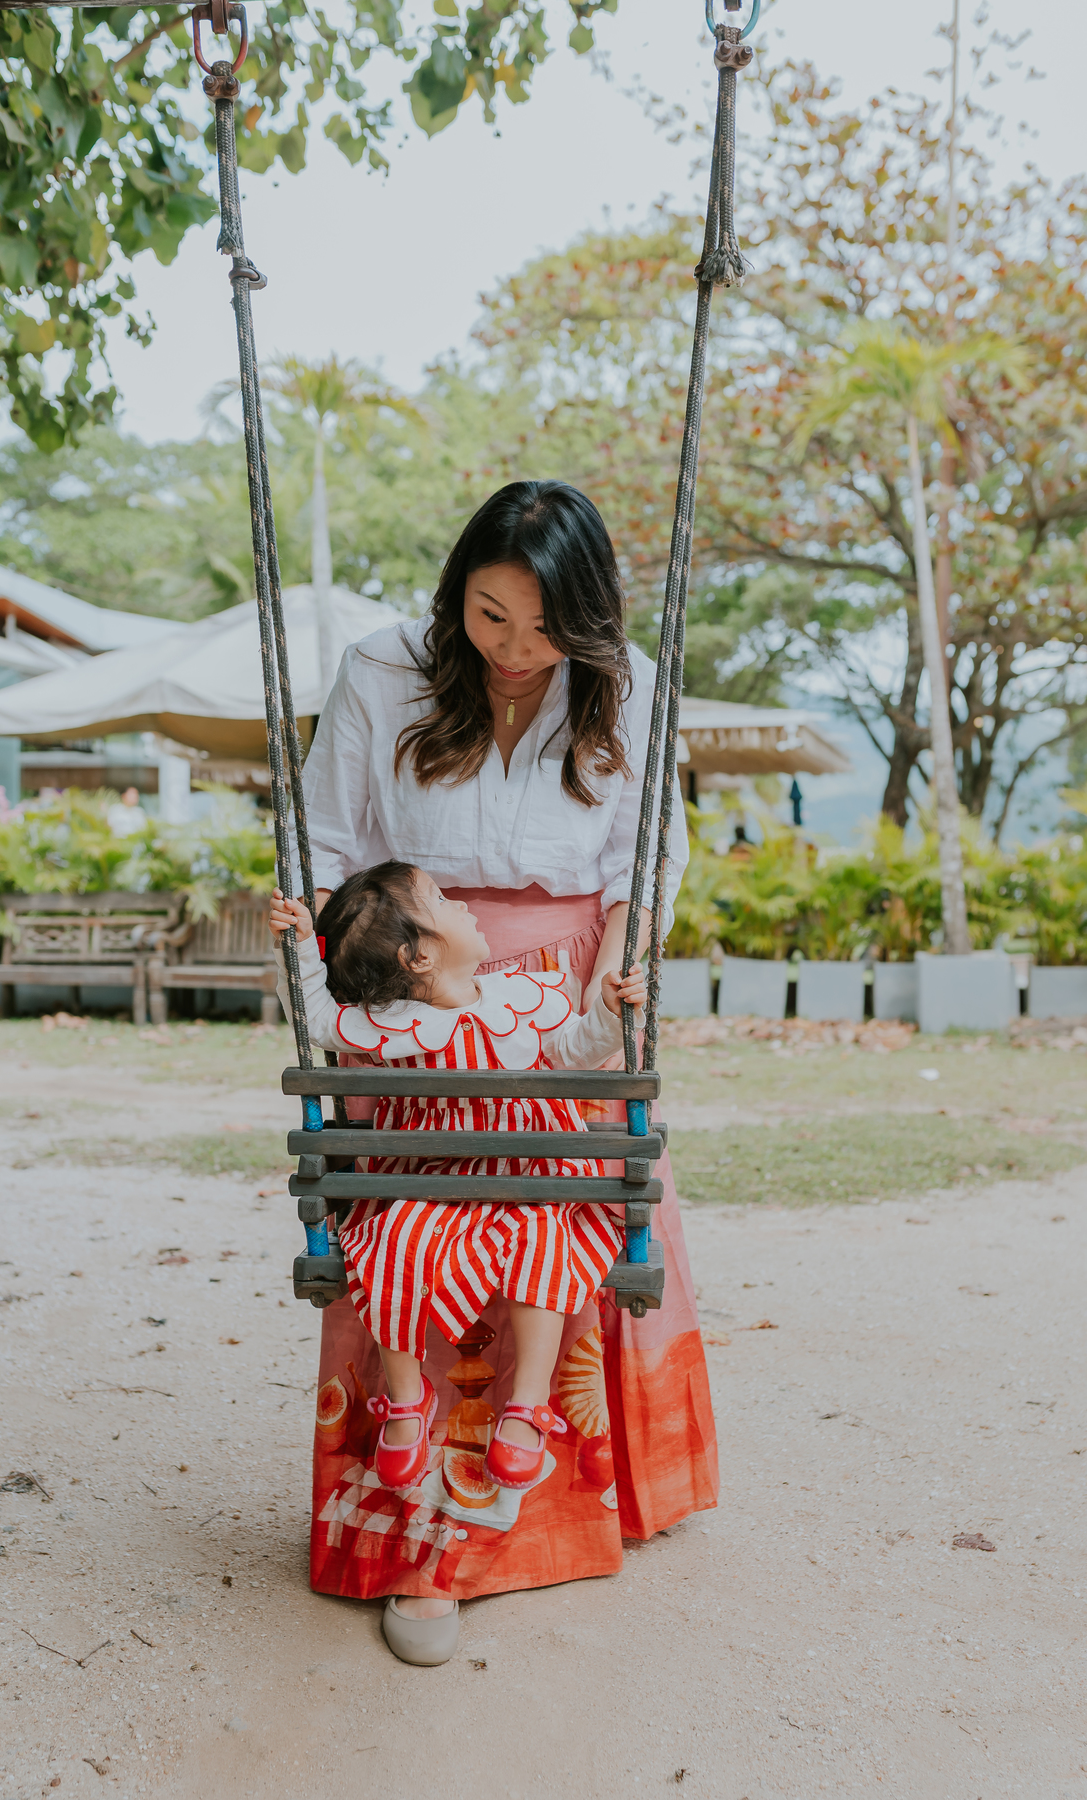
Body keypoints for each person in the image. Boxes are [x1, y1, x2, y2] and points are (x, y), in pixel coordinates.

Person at [285, 479, 718, 1666]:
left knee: (566, 1206)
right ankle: (428, 1541)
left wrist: (615, 987)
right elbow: (326, 841)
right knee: (419, 1221)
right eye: (488, 617)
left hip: (564, 993)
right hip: (423, 981)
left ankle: (585, 1503)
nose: (516, 652)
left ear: (589, 622)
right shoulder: (383, 672)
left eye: (545, 631)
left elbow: (648, 850)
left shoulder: (625, 685)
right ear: (452, 594)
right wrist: (332, 999)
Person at [271, 864, 646, 1500]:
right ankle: (407, 1401)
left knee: (545, 1243)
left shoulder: (521, 1002)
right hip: (432, 1181)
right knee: (394, 1240)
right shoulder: (393, 1024)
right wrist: (300, 946)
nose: (463, 903)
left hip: (534, 1177)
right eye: (442, 900)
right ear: (416, 956)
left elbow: (573, 1049)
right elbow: (313, 1019)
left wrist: (609, 1014)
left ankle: (525, 1409)